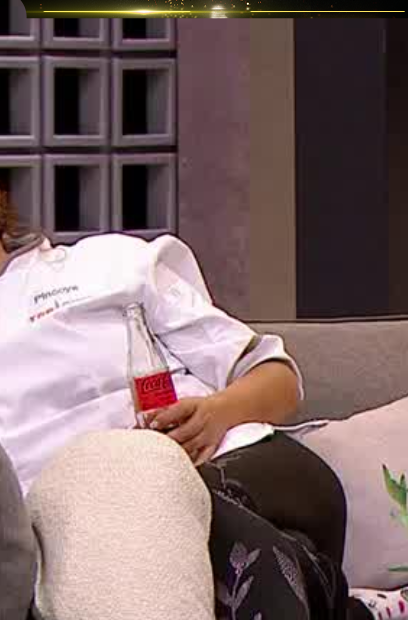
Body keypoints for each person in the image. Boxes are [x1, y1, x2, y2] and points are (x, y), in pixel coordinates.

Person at [0, 191, 371, 620]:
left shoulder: (108, 265)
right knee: (141, 524)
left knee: (154, 513)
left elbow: (279, 381)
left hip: (247, 465)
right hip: (90, 528)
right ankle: (335, 599)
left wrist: (216, 414)